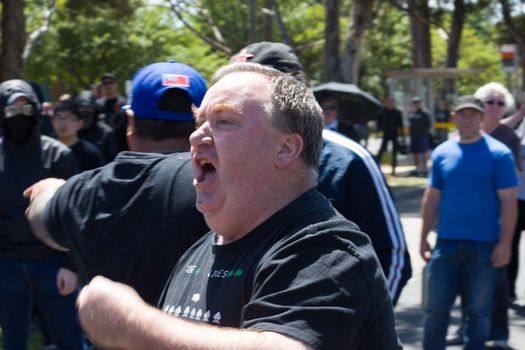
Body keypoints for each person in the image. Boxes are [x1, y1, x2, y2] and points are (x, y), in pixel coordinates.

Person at [74, 63, 401, 349]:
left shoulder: (325, 250)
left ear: (285, 149)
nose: (196, 136)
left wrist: (134, 325)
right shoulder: (202, 249)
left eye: (224, 121)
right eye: (198, 121)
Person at [231, 41, 411, 305]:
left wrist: (365, 329)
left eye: (248, 92)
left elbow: (392, 257)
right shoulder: (216, 158)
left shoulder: (349, 159)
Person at [24, 61, 210, 306]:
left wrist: (50, 189)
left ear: (129, 122)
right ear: (202, 122)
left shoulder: (86, 190)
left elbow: (42, 219)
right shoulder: (225, 184)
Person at [420, 95, 518, 350]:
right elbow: (432, 198)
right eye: (462, 114)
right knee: (435, 311)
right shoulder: (442, 152)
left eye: (473, 114)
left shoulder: (499, 153)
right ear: (454, 118)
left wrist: (506, 243)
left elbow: (509, 201)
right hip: (445, 245)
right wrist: (422, 239)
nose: (468, 118)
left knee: (478, 312)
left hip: (484, 246)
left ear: (482, 117)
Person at [0, 79, 83, 349]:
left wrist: (71, 265)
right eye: (13, 111)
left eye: (27, 110)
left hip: (52, 262)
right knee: (13, 340)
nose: (20, 117)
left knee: (69, 338)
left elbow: (75, 213)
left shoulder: (58, 154)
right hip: (7, 264)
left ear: (36, 111)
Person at [51, 99, 105, 171]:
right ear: (52, 122)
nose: (63, 123)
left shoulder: (92, 154)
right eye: (59, 117)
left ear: (80, 124)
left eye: (69, 118)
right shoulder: (47, 151)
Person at [76, 90, 118, 163]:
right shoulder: (72, 131)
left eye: (89, 108)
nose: (85, 112)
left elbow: (113, 160)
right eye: (82, 108)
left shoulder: (105, 132)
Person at [96, 72, 128, 152]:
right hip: (103, 145)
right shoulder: (97, 105)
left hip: (120, 144)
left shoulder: (124, 103)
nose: (108, 85)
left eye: (111, 82)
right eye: (105, 83)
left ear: (116, 85)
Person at [376, 96, 406, 175]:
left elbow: (401, 124)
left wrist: (402, 135)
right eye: (389, 102)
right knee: (382, 150)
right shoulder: (383, 111)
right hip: (386, 133)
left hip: (394, 133)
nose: (391, 103)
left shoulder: (397, 112)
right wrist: (379, 130)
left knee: (394, 152)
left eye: (392, 102)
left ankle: (394, 170)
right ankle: (376, 165)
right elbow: (379, 121)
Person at [408, 96, 432, 176]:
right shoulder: (412, 113)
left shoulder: (424, 113)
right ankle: (417, 169)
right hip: (413, 136)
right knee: (415, 153)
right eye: (414, 103)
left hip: (422, 136)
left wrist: (423, 131)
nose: (416, 104)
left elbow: (428, 124)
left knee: (424, 153)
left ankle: (425, 170)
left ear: (420, 103)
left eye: (417, 102)